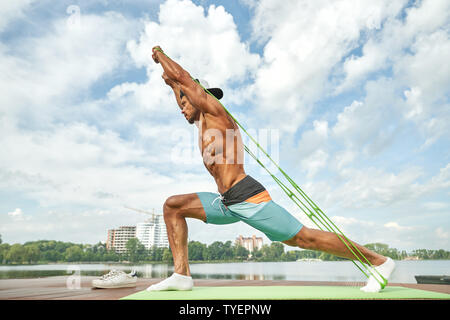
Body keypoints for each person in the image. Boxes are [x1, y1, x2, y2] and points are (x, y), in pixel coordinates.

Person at [147, 46, 395, 293]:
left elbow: (182, 79)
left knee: (303, 238)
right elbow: (177, 84)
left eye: (185, 101)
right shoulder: (200, 123)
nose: (181, 108)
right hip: (226, 202)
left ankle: (379, 262)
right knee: (173, 206)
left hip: (247, 197)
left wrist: (161, 55)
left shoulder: (216, 113)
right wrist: (170, 83)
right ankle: (181, 275)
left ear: (198, 95)